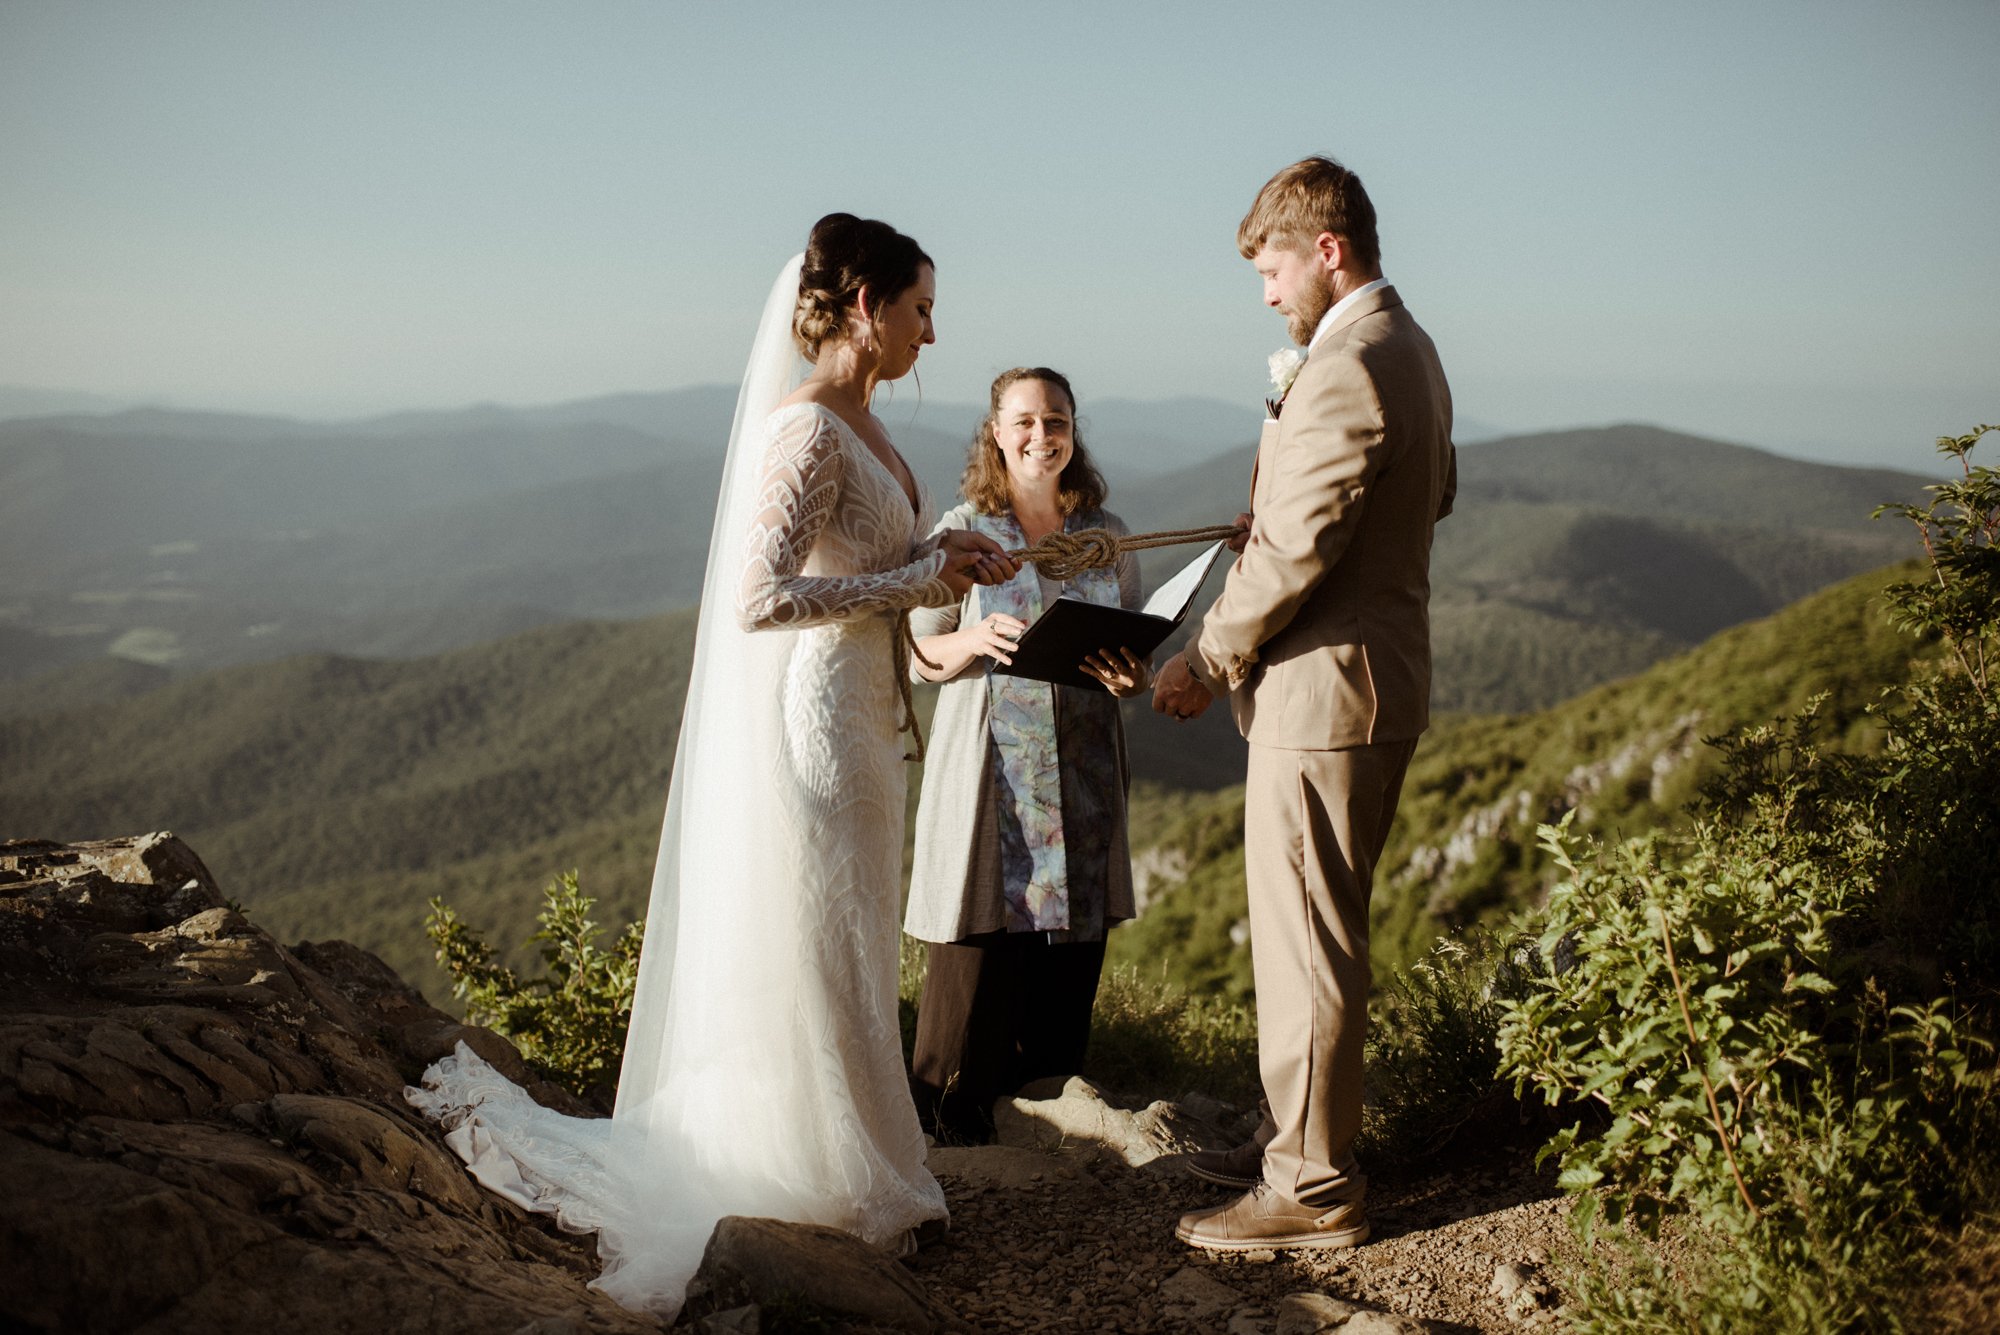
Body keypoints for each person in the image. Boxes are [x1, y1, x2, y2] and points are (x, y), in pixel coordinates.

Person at [406, 214, 1018, 1318]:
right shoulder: (806, 435)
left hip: (870, 714)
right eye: (921, 308)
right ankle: (839, 1181)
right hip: (817, 727)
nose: (933, 333)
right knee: (829, 941)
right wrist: (918, 578)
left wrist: (939, 572)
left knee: (854, 940)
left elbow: (878, 574)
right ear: (867, 307)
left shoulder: (865, 424)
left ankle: (851, 1164)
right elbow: (756, 599)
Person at [1152, 157, 1457, 1252]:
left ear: (1326, 250)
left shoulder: (1348, 362)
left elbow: (1291, 555)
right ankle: (1299, 1135)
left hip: (1322, 693)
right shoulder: (1408, 349)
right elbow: (1429, 495)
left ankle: (1312, 1190)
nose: (1267, 292)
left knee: (1306, 945)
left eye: (1272, 266)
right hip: (1372, 679)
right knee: (1315, 931)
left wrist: (1205, 658)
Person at [903, 367, 1151, 1142]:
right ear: (995, 431)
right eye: (1025, 421)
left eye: (1057, 421)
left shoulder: (1106, 534)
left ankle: (1045, 1100)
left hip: (1081, 761)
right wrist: (972, 637)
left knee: (1071, 938)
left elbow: (1133, 640)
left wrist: (1131, 676)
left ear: (1074, 433)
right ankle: (948, 1110)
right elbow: (915, 649)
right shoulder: (966, 527)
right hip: (991, 765)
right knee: (983, 928)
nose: (1041, 436)